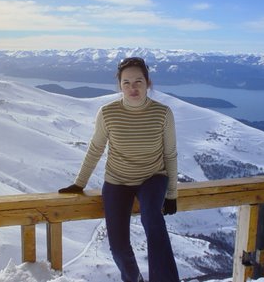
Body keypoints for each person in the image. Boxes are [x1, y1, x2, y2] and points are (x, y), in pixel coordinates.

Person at [59, 57, 180, 282]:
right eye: (126, 82)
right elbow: (95, 149)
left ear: (148, 82)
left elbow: (170, 154)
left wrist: (171, 194)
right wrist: (79, 183)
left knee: (152, 220)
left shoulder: (163, 113)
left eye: (138, 81)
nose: (132, 87)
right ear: (119, 85)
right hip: (117, 180)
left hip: (153, 177)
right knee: (118, 245)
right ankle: (133, 279)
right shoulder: (108, 113)